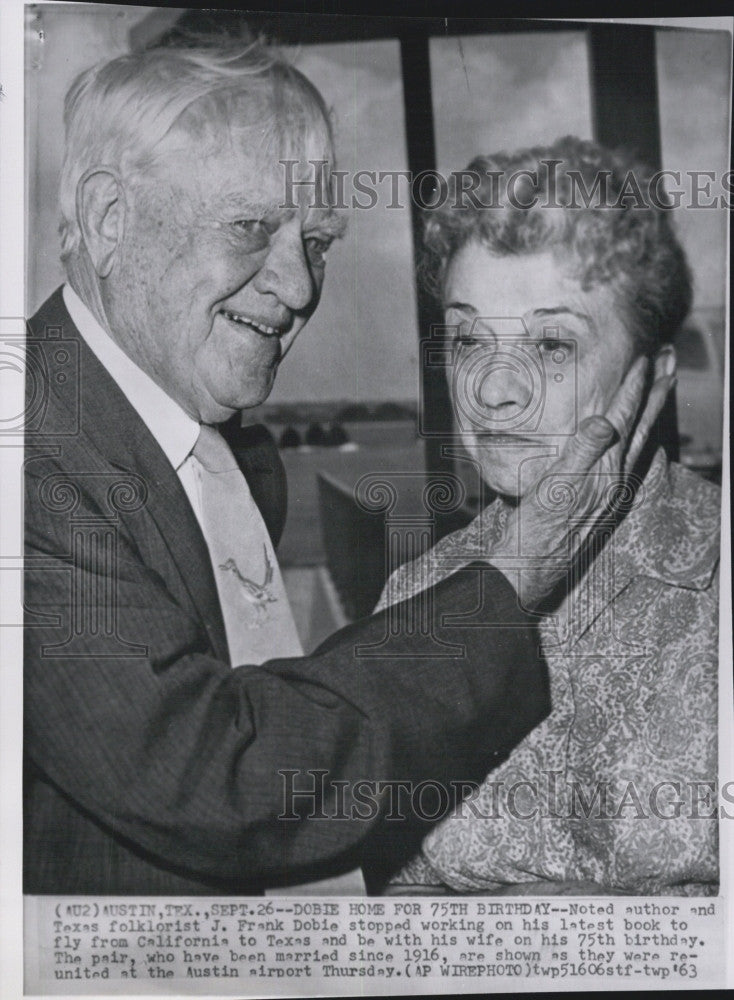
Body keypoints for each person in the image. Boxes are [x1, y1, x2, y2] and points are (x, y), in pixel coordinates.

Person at [24, 44, 666, 896]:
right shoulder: (27, 460)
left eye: (317, 242)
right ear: (110, 220)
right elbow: (227, 780)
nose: (297, 287)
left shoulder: (232, 454)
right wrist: (510, 579)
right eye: (251, 226)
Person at [377, 137, 720, 896]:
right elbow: (392, 895)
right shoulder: (416, 595)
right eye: (468, 339)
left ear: (654, 376)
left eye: (552, 344)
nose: (495, 390)